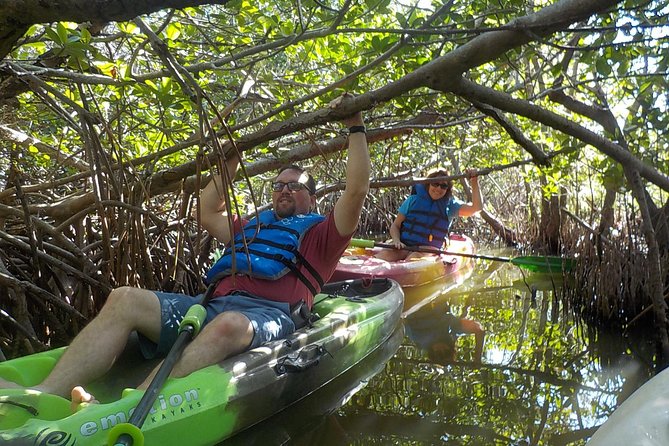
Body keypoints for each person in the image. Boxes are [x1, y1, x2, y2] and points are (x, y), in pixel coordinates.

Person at [0, 93, 370, 408]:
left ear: (313, 196)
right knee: (125, 297)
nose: (285, 190)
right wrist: (232, 156)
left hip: (267, 316)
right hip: (208, 306)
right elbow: (208, 211)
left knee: (228, 325)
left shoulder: (324, 234)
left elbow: (355, 191)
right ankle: (45, 392)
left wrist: (354, 124)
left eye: (296, 185)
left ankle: (131, 403)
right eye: (279, 184)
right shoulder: (253, 225)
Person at [375, 168, 482, 262]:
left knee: (414, 257)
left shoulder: (451, 206)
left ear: (447, 189)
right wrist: (396, 241)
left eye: (443, 186)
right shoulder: (412, 200)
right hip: (404, 245)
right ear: (428, 184)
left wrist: (474, 180)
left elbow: (476, 208)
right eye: (435, 184)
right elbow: (396, 226)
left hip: (428, 249)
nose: (439, 189)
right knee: (385, 255)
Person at [405, 300, 485, 365]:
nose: (441, 349)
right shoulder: (452, 332)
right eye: (446, 352)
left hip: (412, 304)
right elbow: (478, 329)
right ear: (450, 349)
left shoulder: (419, 339)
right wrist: (477, 358)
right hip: (436, 294)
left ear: (432, 354)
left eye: (439, 354)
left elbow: (403, 321)